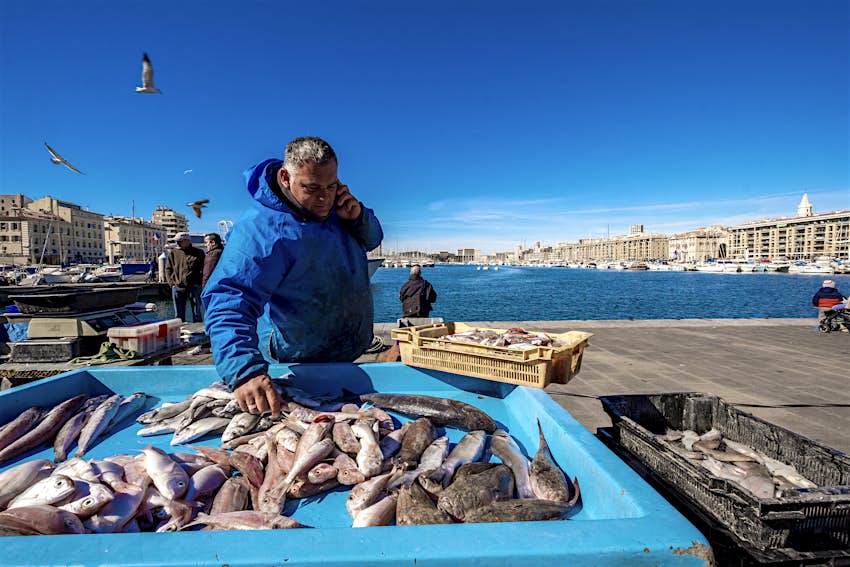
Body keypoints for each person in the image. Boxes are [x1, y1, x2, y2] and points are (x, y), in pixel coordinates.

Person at [202, 136, 383, 416]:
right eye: (312, 188)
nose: (324, 198)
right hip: (297, 362)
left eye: (332, 186)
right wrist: (244, 370)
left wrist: (359, 217)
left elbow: (373, 239)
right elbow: (229, 297)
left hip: (350, 351)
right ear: (286, 177)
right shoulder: (259, 230)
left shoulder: (337, 205)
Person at [165, 233, 205, 323]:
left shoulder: (199, 252)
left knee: (197, 312)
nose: (177, 243)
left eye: (179, 241)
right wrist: (172, 284)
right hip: (177, 286)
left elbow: (203, 269)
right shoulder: (173, 253)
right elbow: (168, 269)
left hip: (194, 286)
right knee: (178, 314)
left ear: (187, 241)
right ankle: (179, 332)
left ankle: (199, 332)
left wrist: (199, 283)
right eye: (177, 241)